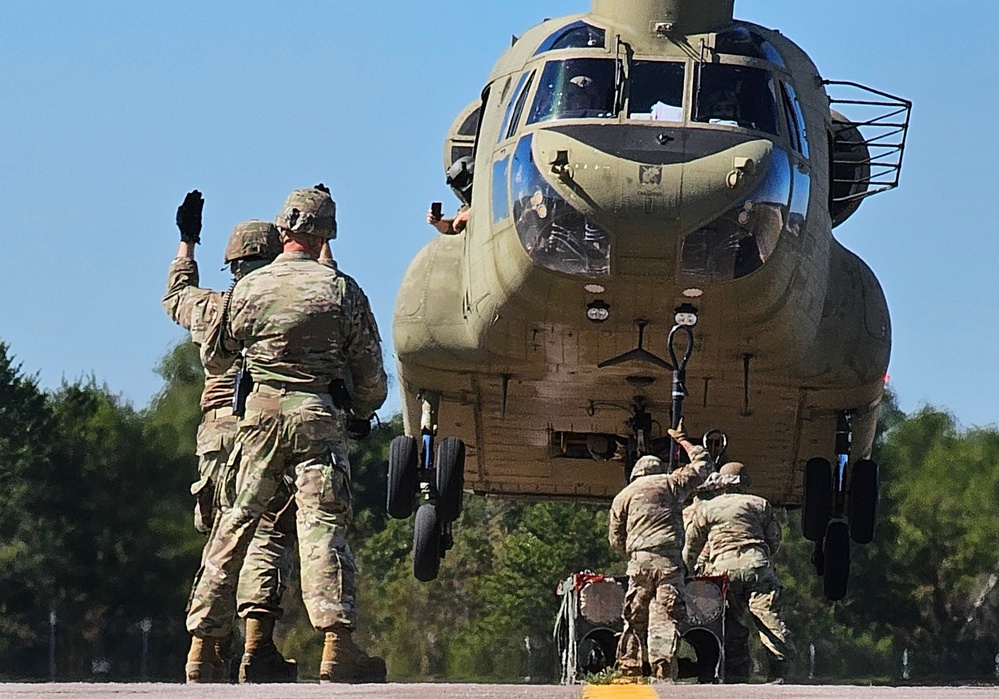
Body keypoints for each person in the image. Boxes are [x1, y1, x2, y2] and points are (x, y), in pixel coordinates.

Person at [189, 186, 388, 684]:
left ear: (283, 231)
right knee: (321, 528)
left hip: (256, 423)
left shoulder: (247, 290)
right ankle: (337, 647)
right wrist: (359, 410)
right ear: (326, 235)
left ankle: (203, 648)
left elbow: (217, 356)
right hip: (318, 419)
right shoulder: (341, 290)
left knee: (233, 526)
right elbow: (371, 380)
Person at [162, 191, 298, 684]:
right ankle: (258, 650)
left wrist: (187, 241)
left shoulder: (212, 307)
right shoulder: (285, 306)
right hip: (265, 429)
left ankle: (205, 651)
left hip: (216, 435)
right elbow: (320, 299)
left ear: (233, 264)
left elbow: (176, 295)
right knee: (267, 534)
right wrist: (322, 248)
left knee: (222, 539)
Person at [608, 420, 716, 682]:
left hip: (640, 562)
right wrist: (684, 441)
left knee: (634, 617)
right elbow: (705, 466)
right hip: (669, 562)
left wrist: (635, 554)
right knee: (665, 616)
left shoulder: (624, 495)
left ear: (636, 473)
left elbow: (615, 538)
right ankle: (662, 667)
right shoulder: (671, 483)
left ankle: (630, 667)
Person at [683, 462, 796, 683]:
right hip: (756, 566)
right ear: (744, 483)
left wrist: (687, 573)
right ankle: (779, 671)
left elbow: (692, 547)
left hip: (723, 571)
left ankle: (736, 675)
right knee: (768, 618)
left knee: (732, 623)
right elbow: (774, 542)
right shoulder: (760, 504)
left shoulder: (707, 509)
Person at [428, 155, 473, 235]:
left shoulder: (496, 185)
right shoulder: (467, 206)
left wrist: (469, 214)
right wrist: (438, 222)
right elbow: (453, 227)